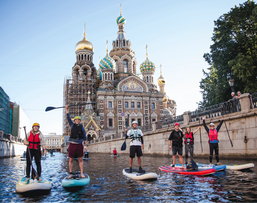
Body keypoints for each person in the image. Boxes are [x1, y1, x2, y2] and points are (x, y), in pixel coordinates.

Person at [65, 105, 87, 178]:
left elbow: (84, 136)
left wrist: (86, 145)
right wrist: (66, 109)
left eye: (78, 120)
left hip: (79, 144)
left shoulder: (82, 127)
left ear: (80, 121)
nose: (77, 121)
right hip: (72, 145)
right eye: (76, 120)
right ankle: (70, 173)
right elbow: (68, 117)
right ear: (74, 121)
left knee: (80, 159)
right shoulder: (72, 125)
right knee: (71, 159)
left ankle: (81, 173)